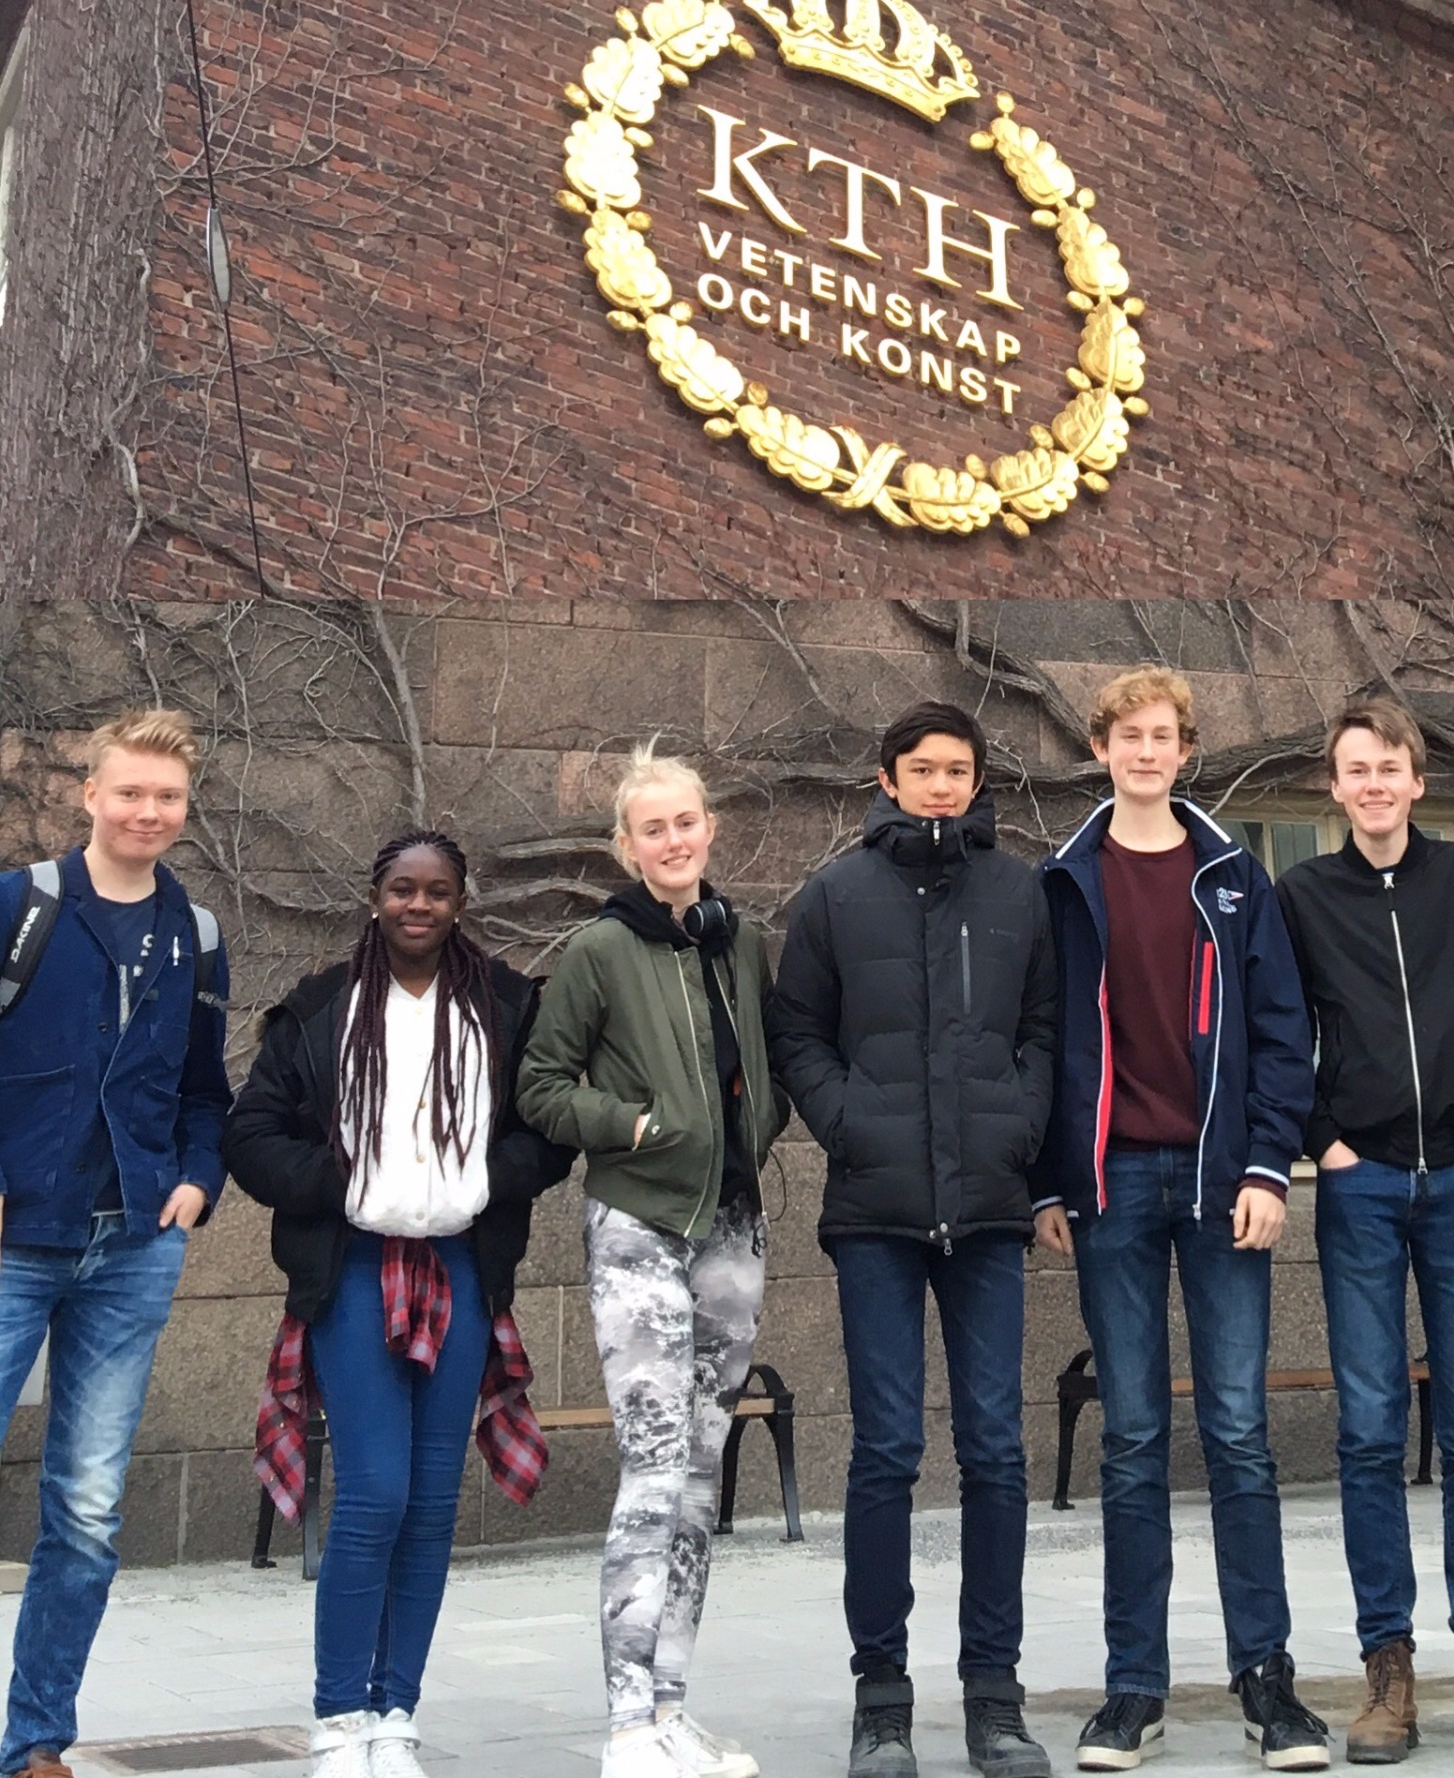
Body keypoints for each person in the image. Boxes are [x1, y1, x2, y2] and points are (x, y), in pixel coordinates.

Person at [224, 828, 571, 1778]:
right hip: (354, 1267)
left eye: (438, 891)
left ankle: (396, 1713)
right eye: (402, 889)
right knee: (375, 1490)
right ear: (375, 896)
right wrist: (342, 1183)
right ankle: (339, 1718)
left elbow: (549, 1131)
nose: (419, 905)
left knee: (429, 1503)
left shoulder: (507, 1004)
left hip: (461, 1266)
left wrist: (481, 1182)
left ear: (461, 902)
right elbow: (250, 1135)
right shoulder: (322, 1007)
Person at [1033, 666, 1325, 1774]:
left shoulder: (1235, 878)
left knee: (1239, 1432)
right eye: (1128, 736)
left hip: (1221, 1186)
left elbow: (1283, 1033)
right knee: (1134, 1437)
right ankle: (1133, 1688)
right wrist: (1050, 1184)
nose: (1146, 752)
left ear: (1185, 751)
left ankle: (1268, 1681)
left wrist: (1268, 1167)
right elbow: (1042, 1040)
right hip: (1110, 1188)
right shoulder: (1064, 882)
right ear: (1101, 749)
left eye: (1163, 736)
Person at [768, 702, 1057, 1778]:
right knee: (886, 1451)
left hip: (986, 1208)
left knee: (996, 1451)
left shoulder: (1018, 891)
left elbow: (1045, 1031)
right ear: (886, 780)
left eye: (959, 770)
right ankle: (881, 1699)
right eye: (924, 769)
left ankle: (995, 1696)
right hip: (876, 1213)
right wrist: (848, 1123)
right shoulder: (837, 895)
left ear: (978, 782)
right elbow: (798, 1032)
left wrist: (1018, 1126)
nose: (943, 785)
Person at [1276, 697, 1454, 1765]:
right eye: (1355, 769)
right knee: (1367, 1431)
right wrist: (1323, 1141)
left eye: (1388, 766)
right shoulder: (1302, 894)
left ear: (1416, 776)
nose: (1374, 784)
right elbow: (1280, 1029)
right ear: (1334, 785)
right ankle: (1387, 1671)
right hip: (1357, 1186)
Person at [518, 745, 789, 1778]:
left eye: (687, 822)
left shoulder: (741, 941)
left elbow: (762, 1066)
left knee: (701, 1475)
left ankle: (672, 1709)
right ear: (626, 847)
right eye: (653, 828)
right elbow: (542, 1086)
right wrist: (633, 1126)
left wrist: (755, 1126)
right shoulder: (598, 950)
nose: (674, 841)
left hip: (732, 1230)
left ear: (709, 828)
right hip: (639, 1225)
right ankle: (629, 1725)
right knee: (653, 1467)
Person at [0, 707, 231, 1778]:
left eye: (167, 796)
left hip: (132, 1248)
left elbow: (205, 1088)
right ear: (89, 794)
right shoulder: (22, 907)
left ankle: (36, 1744)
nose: (148, 811)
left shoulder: (198, 934)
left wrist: (196, 1179)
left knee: (88, 1512)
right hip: (15, 1241)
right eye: (129, 791)